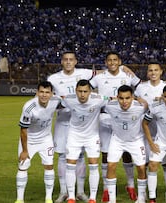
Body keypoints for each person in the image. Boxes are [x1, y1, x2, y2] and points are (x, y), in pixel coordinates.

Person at [90, 51, 141, 202]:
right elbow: (88, 91)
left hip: (124, 119)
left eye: (115, 60)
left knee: (127, 153)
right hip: (105, 118)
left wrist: (131, 72)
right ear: (106, 62)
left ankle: (130, 185)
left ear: (119, 61)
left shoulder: (126, 76)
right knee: (106, 154)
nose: (112, 62)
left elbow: (141, 86)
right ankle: (106, 188)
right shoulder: (99, 78)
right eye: (109, 60)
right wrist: (104, 99)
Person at [48, 51, 96, 203]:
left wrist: (124, 68)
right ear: (62, 62)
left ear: (76, 61)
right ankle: (64, 191)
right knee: (62, 156)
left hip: (81, 124)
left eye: (71, 60)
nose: (68, 62)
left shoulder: (85, 73)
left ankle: (80, 191)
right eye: (65, 60)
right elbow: (50, 99)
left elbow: (103, 74)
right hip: (63, 122)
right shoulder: (53, 78)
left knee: (81, 156)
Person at [62, 79, 110, 203]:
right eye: (79, 91)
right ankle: (72, 197)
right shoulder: (68, 98)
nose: (82, 94)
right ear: (75, 91)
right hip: (74, 136)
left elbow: (113, 99)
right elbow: (54, 99)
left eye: (85, 91)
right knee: (70, 164)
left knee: (93, 164)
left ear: (90, 92)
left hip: (92, 136)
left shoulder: (99, 98)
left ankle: (92, 198)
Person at [134, 62, 166, 203]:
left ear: (161, 72)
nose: (153, 73)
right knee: (143, 164)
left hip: (162, 134)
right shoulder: (141, 88)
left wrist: (163, 100)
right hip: (144, 132)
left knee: (165, 163)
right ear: (147, 73)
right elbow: (132, 100)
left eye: (156, 70)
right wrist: (137, 99)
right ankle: (143, 193)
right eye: (150, 70)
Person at [15, 81, 61, 203]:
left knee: (49, 166)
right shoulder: (29, 107)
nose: (44, 95)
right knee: (22, 166)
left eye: (47, 92)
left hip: (46, 140)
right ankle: (19, 199)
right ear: (37, 93)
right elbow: (23, 130)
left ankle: (48, 198)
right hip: (29, 140)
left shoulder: (56, 101)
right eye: (41, 92)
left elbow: (68, 102)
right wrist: (25, 151)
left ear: (52, 94)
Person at [104, 85, 148, 203]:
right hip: (117, 140)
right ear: (117, 97)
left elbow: (147, 105)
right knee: (111, 166)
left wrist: (141, 99)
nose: (124, 102)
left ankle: (142, 198)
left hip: (136, 140)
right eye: (121, 98)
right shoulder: (110, 106)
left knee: (141, 168)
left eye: (127, 98)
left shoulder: (140, 107)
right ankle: (112, 200)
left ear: (132, 97)